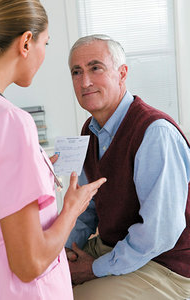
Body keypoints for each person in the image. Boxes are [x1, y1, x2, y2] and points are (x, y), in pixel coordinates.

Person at [0, 3, 106, 299]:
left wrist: (34, 169)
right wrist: (72, 209)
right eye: (46, 43)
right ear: (26, 42)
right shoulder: (11, 123)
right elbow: (30, 264)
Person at [65, 34, 190, 300]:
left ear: (122, 73)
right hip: (118, 247)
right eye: (77, 72)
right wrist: (60, 249)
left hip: (166, 264)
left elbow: (160, 233)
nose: (85, 81)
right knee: (48, 281)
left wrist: (95, 269)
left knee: (80, 297)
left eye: (95, 68)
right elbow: (87, 209)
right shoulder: (90, 131)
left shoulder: (154, 132)